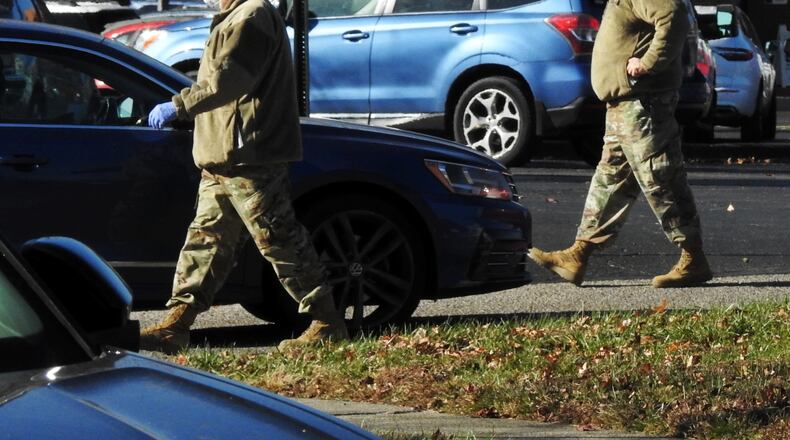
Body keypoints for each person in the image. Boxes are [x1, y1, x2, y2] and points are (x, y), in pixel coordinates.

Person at [140, 0, 348, 354]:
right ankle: (176, 326)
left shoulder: (251, 16)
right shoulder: (238, 15)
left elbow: (228, 80)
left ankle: (327, 322)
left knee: (277, 237)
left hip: (250, 155)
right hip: (224, 155)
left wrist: (178, 106)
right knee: (206, 241)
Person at [529, 0, 712, 288]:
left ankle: (693, 257)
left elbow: (673, 16)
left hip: (642, 103)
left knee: (659, 176)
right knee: (611, 179)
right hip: (625, 104)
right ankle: (578, 254)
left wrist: (648, 63)